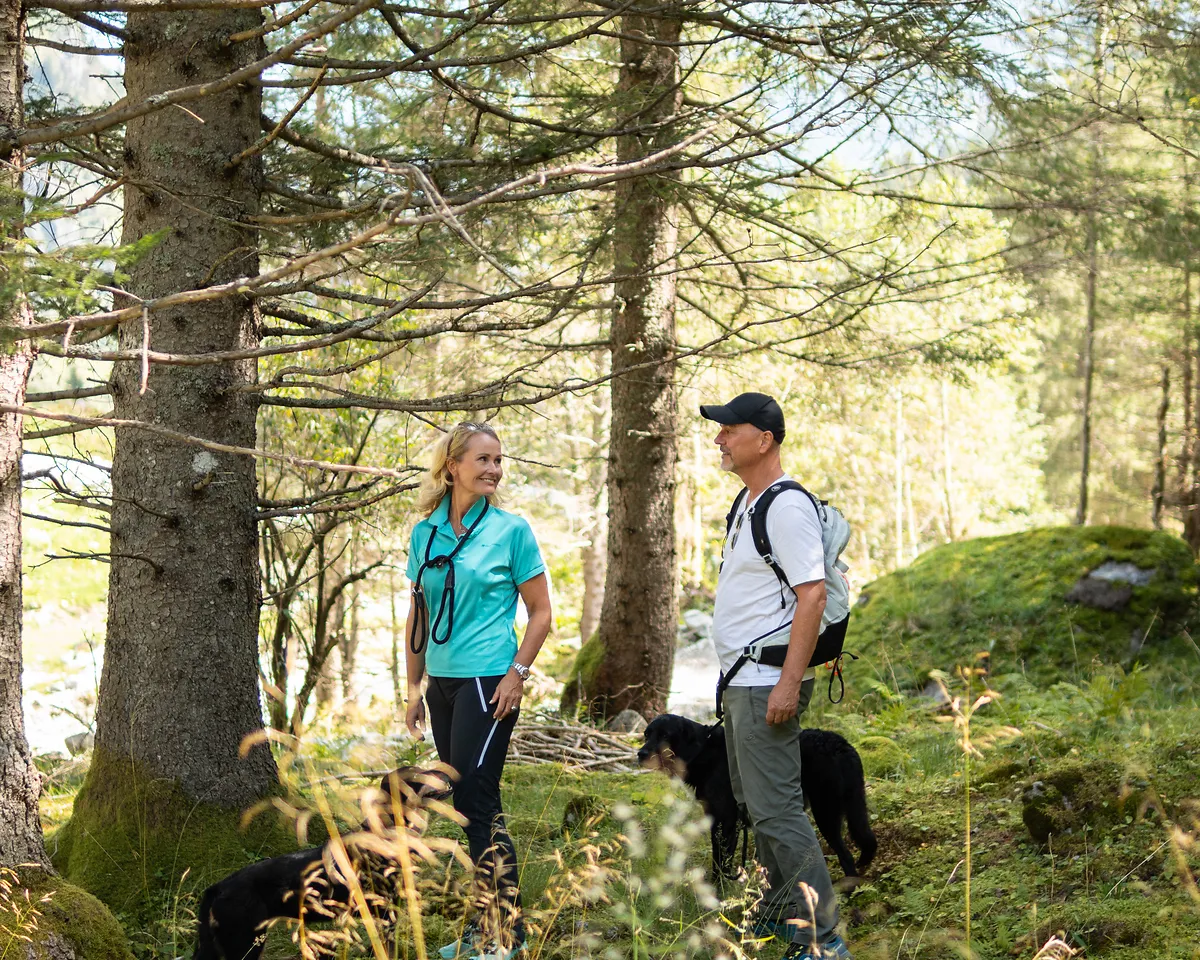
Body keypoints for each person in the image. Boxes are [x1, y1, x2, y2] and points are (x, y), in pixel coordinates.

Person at [700, 392, 852, 960]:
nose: (719, 439)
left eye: (728, 430)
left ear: (763, 439)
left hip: (767, 680)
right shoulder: (748, 500)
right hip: (743, 679)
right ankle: (786, 915)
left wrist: (788, 683)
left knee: (777, 807)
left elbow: (811, 595)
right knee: (754, 799)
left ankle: (824, 938)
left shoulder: (785, 506)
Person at [404, 421, 552, 960]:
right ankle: (485, 925)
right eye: (483, 459)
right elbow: (417, 614)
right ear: (452, 467)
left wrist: (517, 672)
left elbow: (541, 613)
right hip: (441, 682)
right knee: (466, 803)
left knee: (474, 795)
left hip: (489, 679)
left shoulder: (512, 531)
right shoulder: (426, 533)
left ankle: (504, 934)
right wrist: (414, 687)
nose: (493, 468)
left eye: (498, 459)